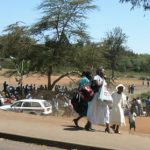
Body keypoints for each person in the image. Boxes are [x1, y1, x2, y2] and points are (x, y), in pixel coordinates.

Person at [87, 67, 111, 133]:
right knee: (93, 109)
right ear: (100, 72)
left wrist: (105, 80)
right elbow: (97, 84)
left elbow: (106, 87)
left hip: (103, 97)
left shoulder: (103, 79)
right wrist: (103, 81)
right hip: (96, 96)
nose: (104, 72)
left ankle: (107, 127)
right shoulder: (96, 77)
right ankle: (88, 125)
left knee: (106, 110)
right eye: (103, 71)